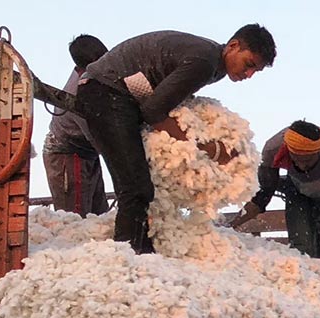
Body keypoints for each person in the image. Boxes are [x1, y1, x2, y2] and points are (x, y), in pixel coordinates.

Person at [76, 25, 276, 252]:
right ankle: (127, 254)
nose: (248, 75)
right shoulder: (205, 62)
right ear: (233, 46)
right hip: (105, 92)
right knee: (135, 186)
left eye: (255, 72)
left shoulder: (214, 64)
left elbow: (163, 100)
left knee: (143, 184)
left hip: (120, 94)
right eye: (249, 64)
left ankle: (142, 246)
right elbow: (153, 111)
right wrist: (204, 148)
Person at [231, 120, 320, 308]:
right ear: (288, 150)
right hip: (297, 191)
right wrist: (231, 227)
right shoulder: (273, 149)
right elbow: (262, 197)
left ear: (319, 153)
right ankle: (302, 304)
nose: (302, 164)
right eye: (297, 158)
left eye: (308, 160)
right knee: (302, 249)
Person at [43, 35, 110, 217]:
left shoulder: (101, 76)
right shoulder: (80, 93)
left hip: (88, 151)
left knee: (99, 217)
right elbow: (102, 141)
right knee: (75, 219)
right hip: (68, 155)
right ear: (83, 69)